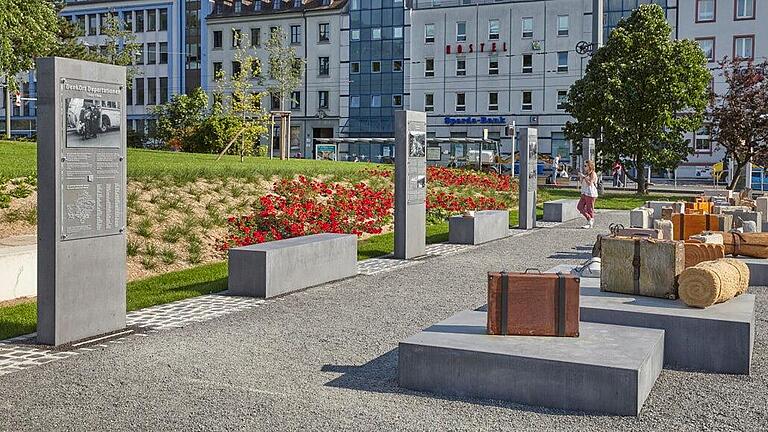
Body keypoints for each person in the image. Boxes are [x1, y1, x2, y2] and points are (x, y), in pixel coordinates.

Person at [577, 160, 599, 229]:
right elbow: (583, 183)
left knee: (590, 208)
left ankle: (590, 222)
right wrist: (581, 178)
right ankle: (589, 219)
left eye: (585, 166)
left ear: (590, 166)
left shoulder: (593, 173)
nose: (584, 167)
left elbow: (590, 183)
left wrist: (583, 177)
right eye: (584, 166)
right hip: (584, 192)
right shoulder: (586, 173)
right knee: (579, 207)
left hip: (590, 193)